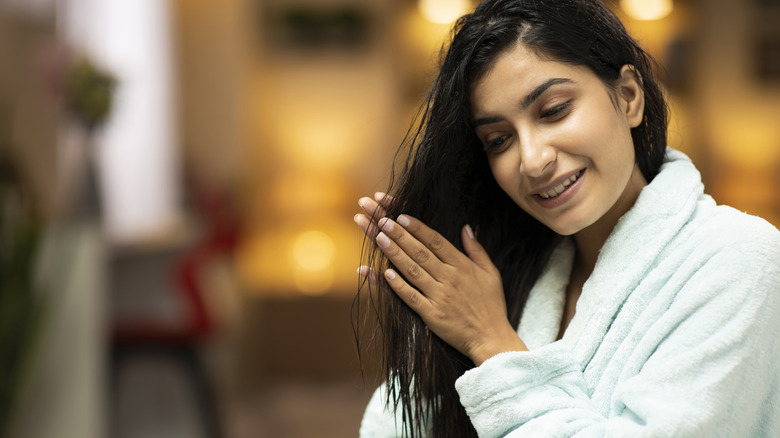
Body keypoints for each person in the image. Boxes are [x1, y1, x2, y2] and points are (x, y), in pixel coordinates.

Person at [352, 0, 780, 436]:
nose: (532, 161)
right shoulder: (502, 270)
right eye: (499, 139)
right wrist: (429, 339)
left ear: (629, 96)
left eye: (554, 110)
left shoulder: (741, 259)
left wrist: (490, 341)